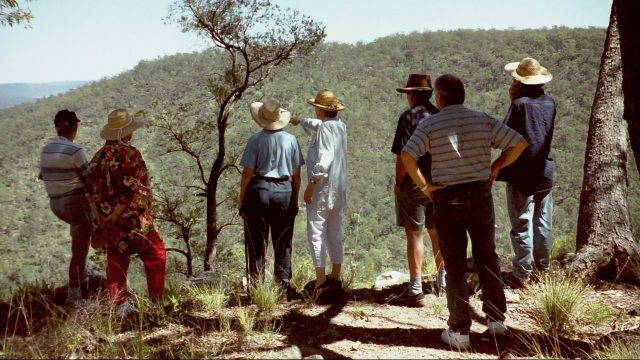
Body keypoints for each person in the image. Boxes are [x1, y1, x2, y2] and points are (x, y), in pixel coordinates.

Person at [401, 74, 528, 350]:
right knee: (487, 256)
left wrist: (425, 187)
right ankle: (496, 321)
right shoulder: (482, 119)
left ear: (440, 98)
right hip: (480, 194)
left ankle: (459, 330)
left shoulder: (431, 124)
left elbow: (407, 155)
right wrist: (496, 167)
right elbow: (518, 143)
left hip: (446, 197)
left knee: (455, 264)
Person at [85, 108, 166, 317]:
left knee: (116, 258)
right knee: (156, 254)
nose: (132, 134)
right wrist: (126, 214)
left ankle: (120, 306)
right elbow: (133, 190)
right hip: (133, 219)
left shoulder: (98, 157)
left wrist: (103, 217)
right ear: (124, 133)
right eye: (129, 130)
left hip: (108, 222)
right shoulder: (130, 155)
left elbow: (89, 191)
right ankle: (156, 302)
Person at [497, 57, 556, 288]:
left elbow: (506, 135)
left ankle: (521, 273)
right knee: (543, 223)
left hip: (521, 172)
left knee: (521, 223)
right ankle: (543, 272)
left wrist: (512, 100)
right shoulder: (550, 103)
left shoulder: (520, 104)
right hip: (544, 171)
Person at [239, 97, 304, 301]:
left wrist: (241, 200)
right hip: (284, 191)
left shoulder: (255, 140)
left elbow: (247, 173)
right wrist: (294, 201)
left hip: (258, 191)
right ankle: (283, 290)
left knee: (256, 243)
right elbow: (297, 175)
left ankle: (257, 290)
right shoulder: (291, 140)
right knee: (283, 242)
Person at [389, 74, 446, 307]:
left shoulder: (408, 118)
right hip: (440, 180)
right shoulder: (440, 116)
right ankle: (443, 282)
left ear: (411, 94)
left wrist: (399, 182)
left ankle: (415, 288)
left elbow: (404, 156)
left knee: (415, 232)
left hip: (414, 181)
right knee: (437, 230)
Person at [290, 89, 347, 299]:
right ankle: (336, 276)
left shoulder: (324, 131)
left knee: (315, 232)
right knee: (334, 232)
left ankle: (321, 280)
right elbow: (317, 125)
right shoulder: (339, 127)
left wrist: (310, 185)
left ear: (320, 109)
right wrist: (298, 120)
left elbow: (325, 158)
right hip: (338, 190)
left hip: (322, 190)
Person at [39, 109, 95, 308]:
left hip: (56, 204)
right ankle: (74, 296)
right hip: (75, 203)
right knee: (79, 251)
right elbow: (90, 179)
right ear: (75, 128)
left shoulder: (46, 148)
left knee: (80, 248)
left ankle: (84, 273)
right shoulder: (75, 150)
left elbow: (43, 175)